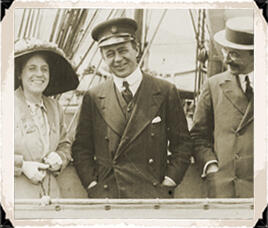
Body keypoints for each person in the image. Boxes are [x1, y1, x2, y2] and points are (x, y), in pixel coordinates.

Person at [72, 18, 193, 198]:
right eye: (110, 54)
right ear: (103, 58)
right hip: (107, 197)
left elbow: (182, 144)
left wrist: (168, 183)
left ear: (136, 49)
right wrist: (92, 185)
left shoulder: (165, 91)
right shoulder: (93, 96)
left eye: (123, 50)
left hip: (152, 196)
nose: (118, 59)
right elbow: (81, 148)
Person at [190, 17, 254, 198]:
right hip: (223, 189)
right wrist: (211, 166)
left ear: (255, 54)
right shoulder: (213, 85)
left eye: (234, 54)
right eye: (225, 51)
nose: (226, 59)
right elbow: (198, 136)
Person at [14, 38, 79, 199]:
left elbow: (64, 144)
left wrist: (60, 158)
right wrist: (22, 166)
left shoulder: (55, 107)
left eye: (45, 69)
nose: (39, 74)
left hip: (52, 196)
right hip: (15, 197)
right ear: (20, 74)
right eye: (32, 68)